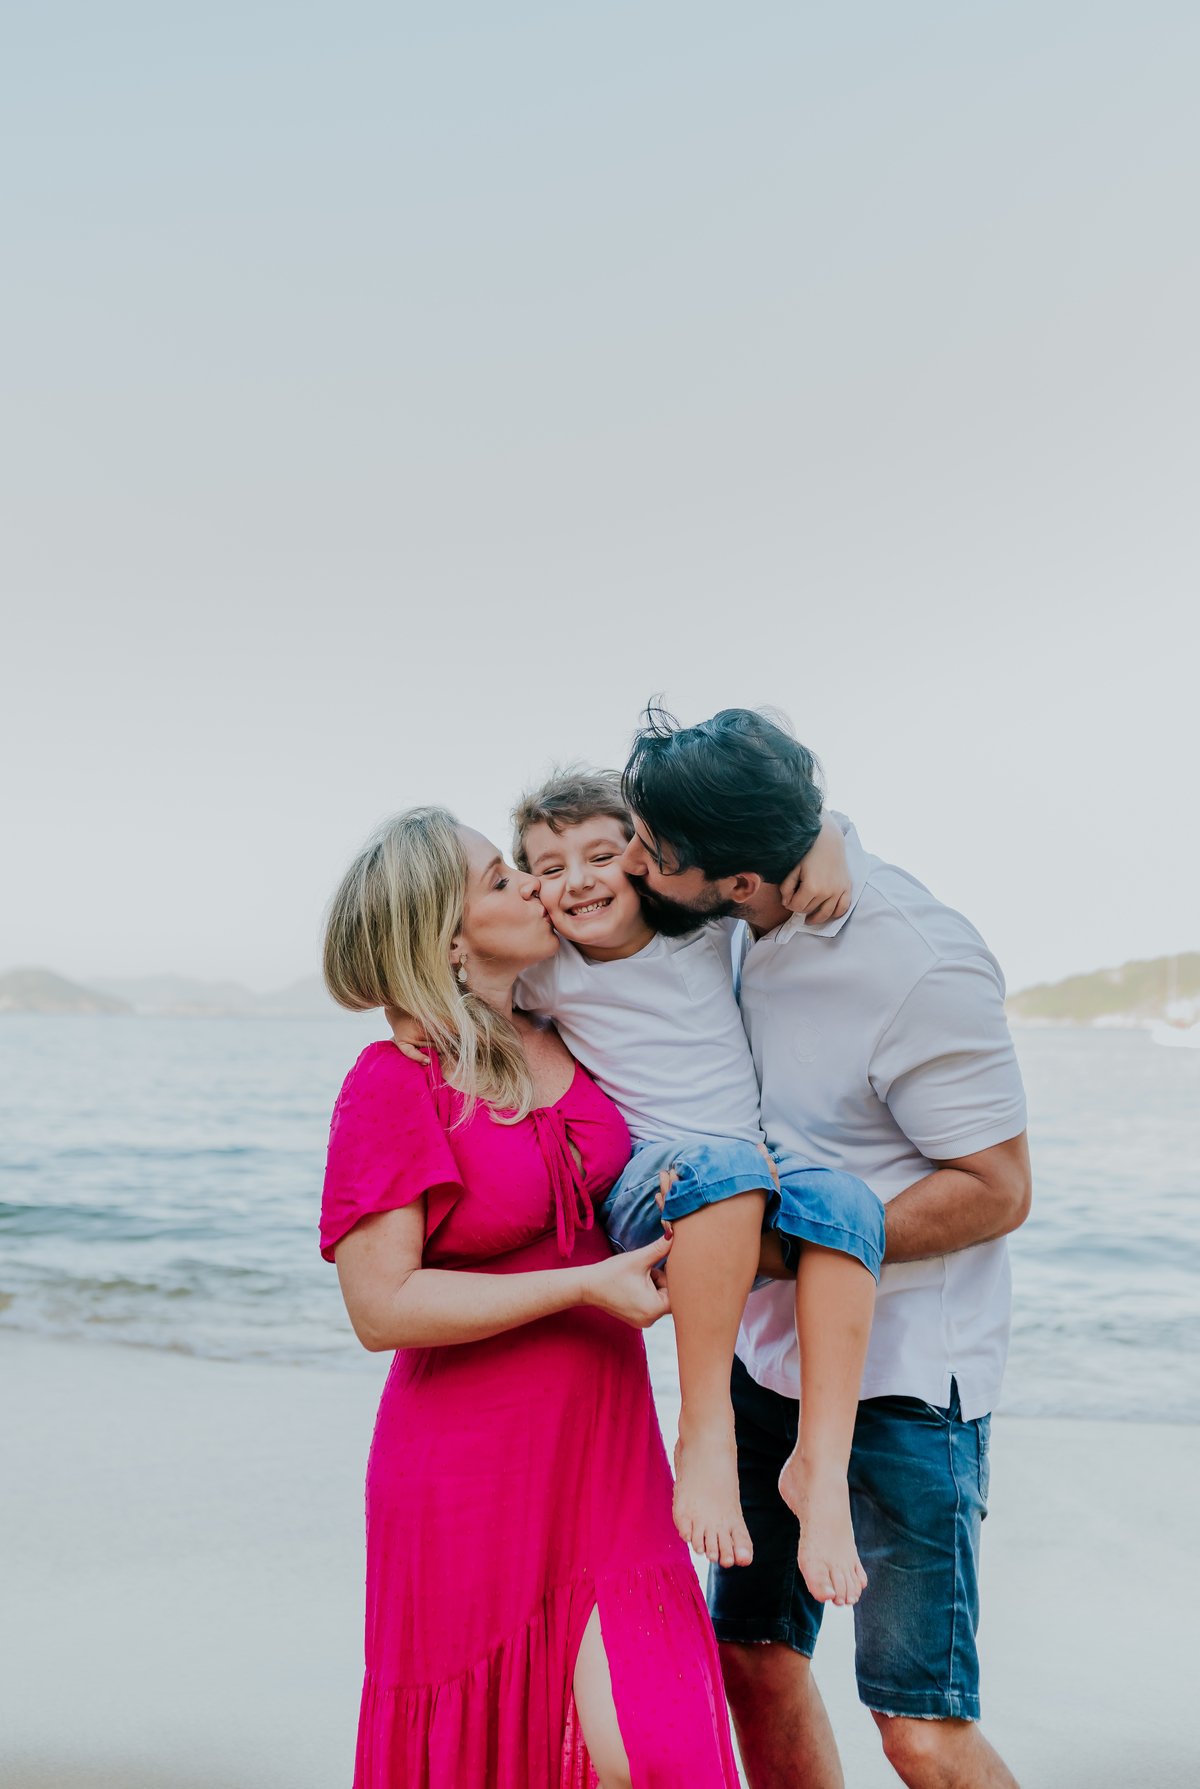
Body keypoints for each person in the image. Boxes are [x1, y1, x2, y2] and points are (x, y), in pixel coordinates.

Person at [618, 705, 1032, 1789]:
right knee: (750, 1661)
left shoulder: (920, 962)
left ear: (740, 879)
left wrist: (785, 1254)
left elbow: (997, 1189)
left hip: (903, 1381)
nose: (634, 862)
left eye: (657, 853)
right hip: (762, 1365)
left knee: (919, 1724)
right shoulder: (731, 917)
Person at [319, 806, 740, 1789]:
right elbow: (380, 1307)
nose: (536, 888)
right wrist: (585, 1285)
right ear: (449, 936)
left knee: (666, 1753)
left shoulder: (570, 1030)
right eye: (504, 878)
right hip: (470, 1471)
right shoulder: (394, 1082)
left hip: (610, 1451)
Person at [506, 769, 885, 1611]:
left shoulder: (710, 932)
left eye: (602, 854)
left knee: (850, 1204)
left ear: (645, 859)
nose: (579, 879)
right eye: (549, 866)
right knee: (727, 1164)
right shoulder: (552, 971)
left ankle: (820, 1465)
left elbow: (763, 829)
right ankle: (705, 1428)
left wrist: (830, 834)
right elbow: (463, 977)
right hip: (657, 1189)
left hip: (748, 1176)